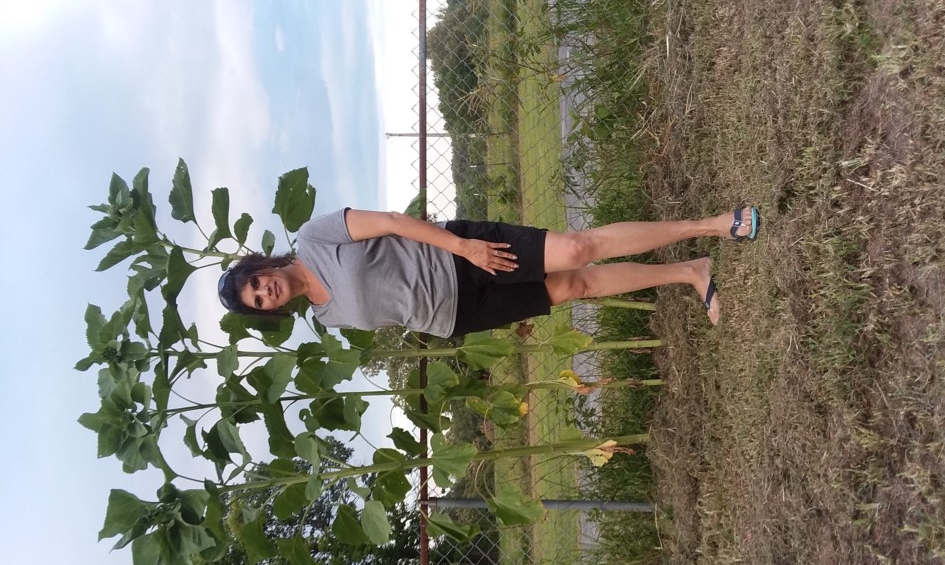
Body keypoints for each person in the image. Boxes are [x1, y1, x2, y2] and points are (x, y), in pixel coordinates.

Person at [217, 206, 760, 337]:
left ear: (260, 267)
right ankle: (691, 273)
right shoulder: (327, 317)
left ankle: (713, 225)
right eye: (259, 301)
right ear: (268, 310)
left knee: (577, 249)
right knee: (577, 285)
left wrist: (465, 246)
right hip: (459, 315)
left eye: (256, 283)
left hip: (459, 255)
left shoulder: (314, 238)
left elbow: (391, 222)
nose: (266, 292)